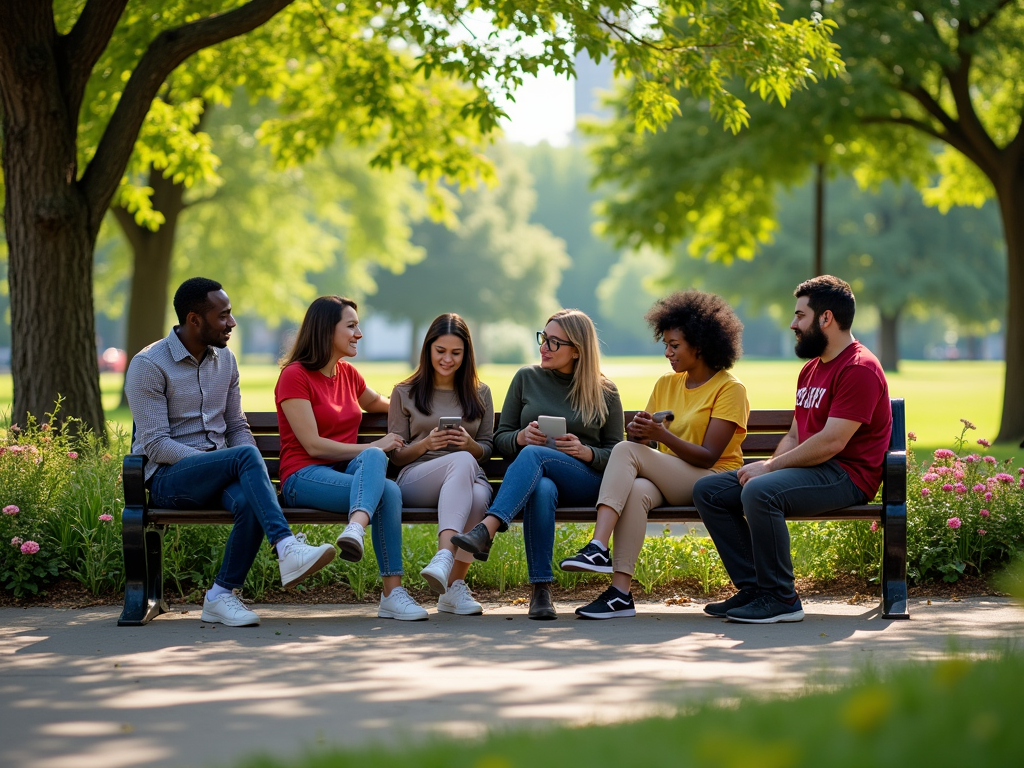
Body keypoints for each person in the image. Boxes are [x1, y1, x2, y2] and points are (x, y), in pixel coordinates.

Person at [125, 277, 337, 628]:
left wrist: (241, 471)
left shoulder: (226, 360)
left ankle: (220, 595)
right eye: (223, 316)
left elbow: (237, 426)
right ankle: (286, 547)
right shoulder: (148, 365)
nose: (232, 323)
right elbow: (156, 444)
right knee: (241, 458)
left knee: (250, 496)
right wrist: (221, 462)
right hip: (169, 478)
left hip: (222, 472)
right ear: (194, 320)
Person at [693, 275, 892, 624]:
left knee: (760, 491)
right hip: (815, 468)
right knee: (708, 491)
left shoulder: (859, 368)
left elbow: (833, 441)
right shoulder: (811, 370)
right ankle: (755, 589)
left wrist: (769, 470)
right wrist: (771, 464)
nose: (792, 324)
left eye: (800, 315)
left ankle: (782, 598)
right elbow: (797, 434)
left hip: (847, 475)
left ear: (826, 318)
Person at [560, 291, 749, 619]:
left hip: (714, 480)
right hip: (673, 478)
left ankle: (597, 547)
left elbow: (708, 456)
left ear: (700, 345)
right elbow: (642, 446)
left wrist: (660, 435)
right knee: (635, 490)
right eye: (665, 344)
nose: (667, 353)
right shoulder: (667, 383)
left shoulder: (730, 388)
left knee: (623, 450)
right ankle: (619, 594)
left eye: (674, 345)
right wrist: (640, 433)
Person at [452, 309, 624, 620]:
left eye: (554, 342)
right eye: (543, 338)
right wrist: (520, 438)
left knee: (534, 456)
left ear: (577, 350)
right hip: (538, 481)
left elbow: (619, 452)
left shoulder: (605, 390)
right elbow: (501, 439)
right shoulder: (526, 378)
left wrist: (587, 452)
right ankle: (541, 591)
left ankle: (486, 530)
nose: (544, 347)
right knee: (541, 487)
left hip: (585, 480)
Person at [275, 296, 427, 621]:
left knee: (383, 478)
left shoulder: (348, 374)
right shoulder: (295, 376)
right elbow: (313, 446)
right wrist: (377, 445)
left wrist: (429, 407)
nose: (359, 334)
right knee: (387, 488)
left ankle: (355, 531)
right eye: (351, 326)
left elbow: (383, 403)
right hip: (303, 477)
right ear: (326, 330)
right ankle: (393, 593)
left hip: (346, 476)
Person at [388, 314, 494, 615]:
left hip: (469, 478)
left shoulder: (480, 392)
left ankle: (453, 588)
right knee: (460, 462)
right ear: (428, 349)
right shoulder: (404, 392)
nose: (447, 359)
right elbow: (395, 456)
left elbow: (486, 447)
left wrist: (470, 445)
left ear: (466, 354)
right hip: (418, 479)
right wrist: (426, 444)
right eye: (440, 351)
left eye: (456, 353)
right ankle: (445, 554)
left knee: (475, 495)